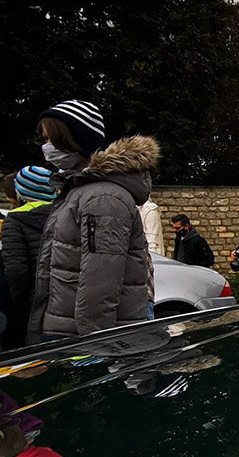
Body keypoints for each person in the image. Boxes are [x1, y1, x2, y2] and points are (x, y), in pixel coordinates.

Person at [27, 100, 160, 342]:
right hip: (68, 328)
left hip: (80, 338)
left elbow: (101, 283)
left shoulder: (102, 198)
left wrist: (94, 345)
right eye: (44, 140)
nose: (46, 147)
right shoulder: (79, 190)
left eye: (51, 139)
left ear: (75, 140)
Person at [1, 165, 55, 349]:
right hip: (69, 301)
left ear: (20, 192)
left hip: (35, 307)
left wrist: (19, 307)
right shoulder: (69, 213)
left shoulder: (14, 220)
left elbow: (16, 271)